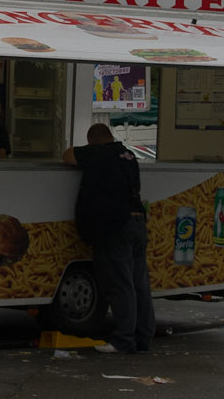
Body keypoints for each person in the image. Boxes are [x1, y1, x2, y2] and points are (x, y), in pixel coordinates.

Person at [63, 123, 153, 354]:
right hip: (137, 222)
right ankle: (143, 337)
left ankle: (124, 339)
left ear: (92, 140)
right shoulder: (129, 155)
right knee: (139, 284)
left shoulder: (97, 153)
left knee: (120, 284)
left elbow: (68, 156)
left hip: (115, 226)